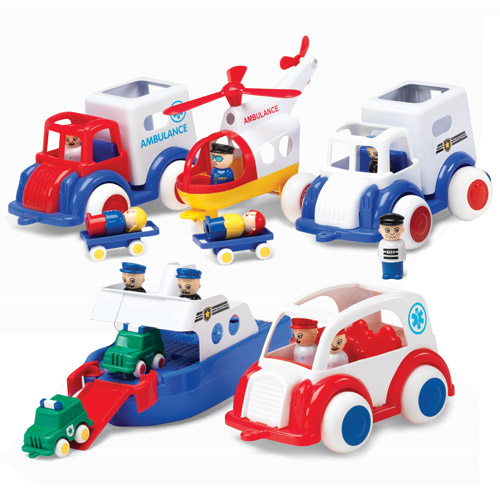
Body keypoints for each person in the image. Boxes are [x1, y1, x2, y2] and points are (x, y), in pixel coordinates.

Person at [378, 213, 406, 280]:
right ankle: (386, 274)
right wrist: (381, 258)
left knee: (397, 269)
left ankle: (398, 273)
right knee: (386, 269)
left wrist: (402, 258)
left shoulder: (400, 243)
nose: (392, 233)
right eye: (387, 230)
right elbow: (379, 253)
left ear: (402, 229)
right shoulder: (382, 243)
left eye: (396, 230)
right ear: (380, 230)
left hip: (398, 262)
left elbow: (403, 253)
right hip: (385, 262)